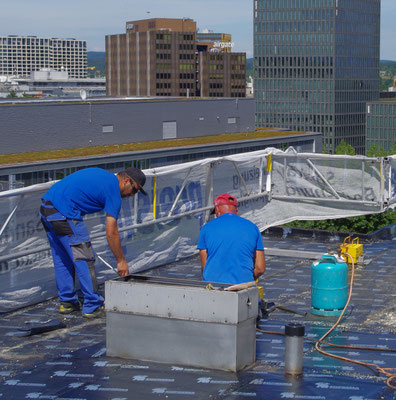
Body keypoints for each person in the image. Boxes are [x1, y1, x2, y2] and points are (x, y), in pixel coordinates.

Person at [40, 167, 147, 318]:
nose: (131, 195)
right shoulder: (113, 191)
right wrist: (121, 260)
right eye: (134, 190)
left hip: (46, 208)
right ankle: (92, 304)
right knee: (84, 257)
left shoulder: (104, 176)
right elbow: (111, 232)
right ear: (127, 181)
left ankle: (67, 302)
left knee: (62, 258)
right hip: (65, 212)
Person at [197, 193, 265, 285]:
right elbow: (260, 268)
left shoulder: (206, 228)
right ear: (236, 210)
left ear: (217, 210)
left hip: (213, 287)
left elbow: (204, 267)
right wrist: (247, 280)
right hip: (243, 287)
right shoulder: (253, 228)